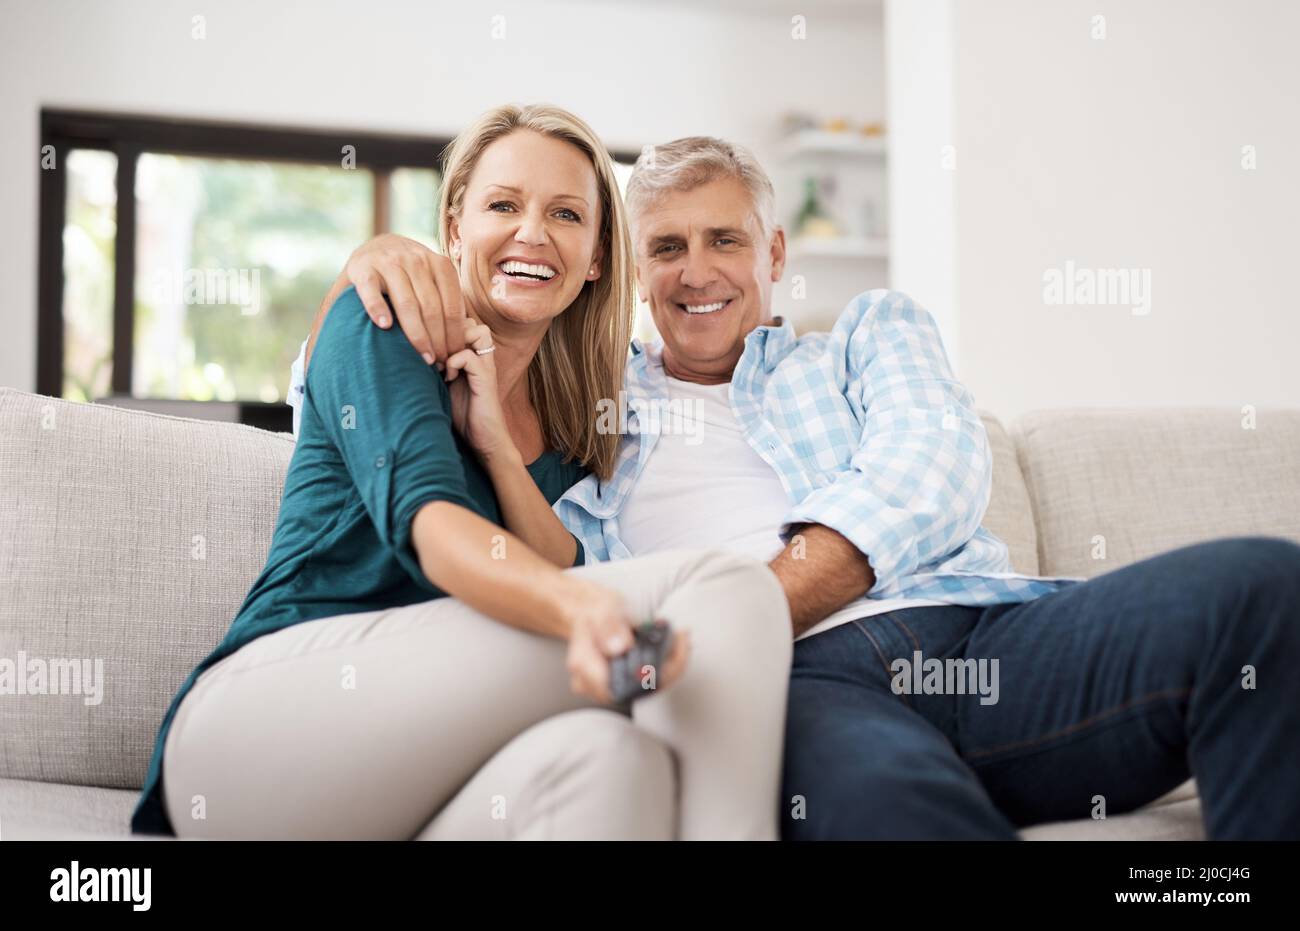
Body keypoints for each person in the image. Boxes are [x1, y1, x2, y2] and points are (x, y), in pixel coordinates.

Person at [321, 134, 1300, 840]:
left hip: (985, 634)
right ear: (626, 273)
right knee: (887, 808)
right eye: (665, 248)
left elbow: (937, 469)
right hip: (801, 692)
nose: (697, 272)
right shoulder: (588, 397)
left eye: (725, 241)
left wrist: (754, 602)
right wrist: (372, 261)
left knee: (1264, 593)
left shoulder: (866, 336)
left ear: (774, 255)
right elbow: (362, 396)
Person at [130, 108, 792, 841]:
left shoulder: (579, 422)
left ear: (599, 256)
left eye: (566, 214)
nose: (532, 233)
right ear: (454, 228)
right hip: (261, 730)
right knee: (728, 589)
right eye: (503, 205)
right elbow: (437, 530)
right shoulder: (386, 320)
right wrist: (576, 612)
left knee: (613, 762)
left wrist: (498, 452)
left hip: (407, 780)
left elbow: (563, 560)